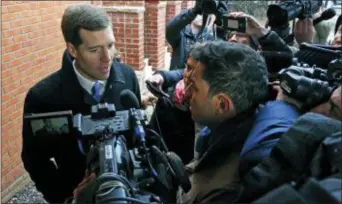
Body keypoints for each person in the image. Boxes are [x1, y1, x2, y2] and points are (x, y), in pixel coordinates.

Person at [21, 4, 141, 203]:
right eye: (94, 50)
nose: (107, 58)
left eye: (110, 45)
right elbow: (34, 160)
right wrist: (66, 199)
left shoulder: (128, 77)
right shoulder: (42, 97)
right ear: (72, 49)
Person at [176, 41, 269, 203]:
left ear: (222, 105)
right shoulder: (225, 131)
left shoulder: (225, 192)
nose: (186, 91)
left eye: (195, 87)